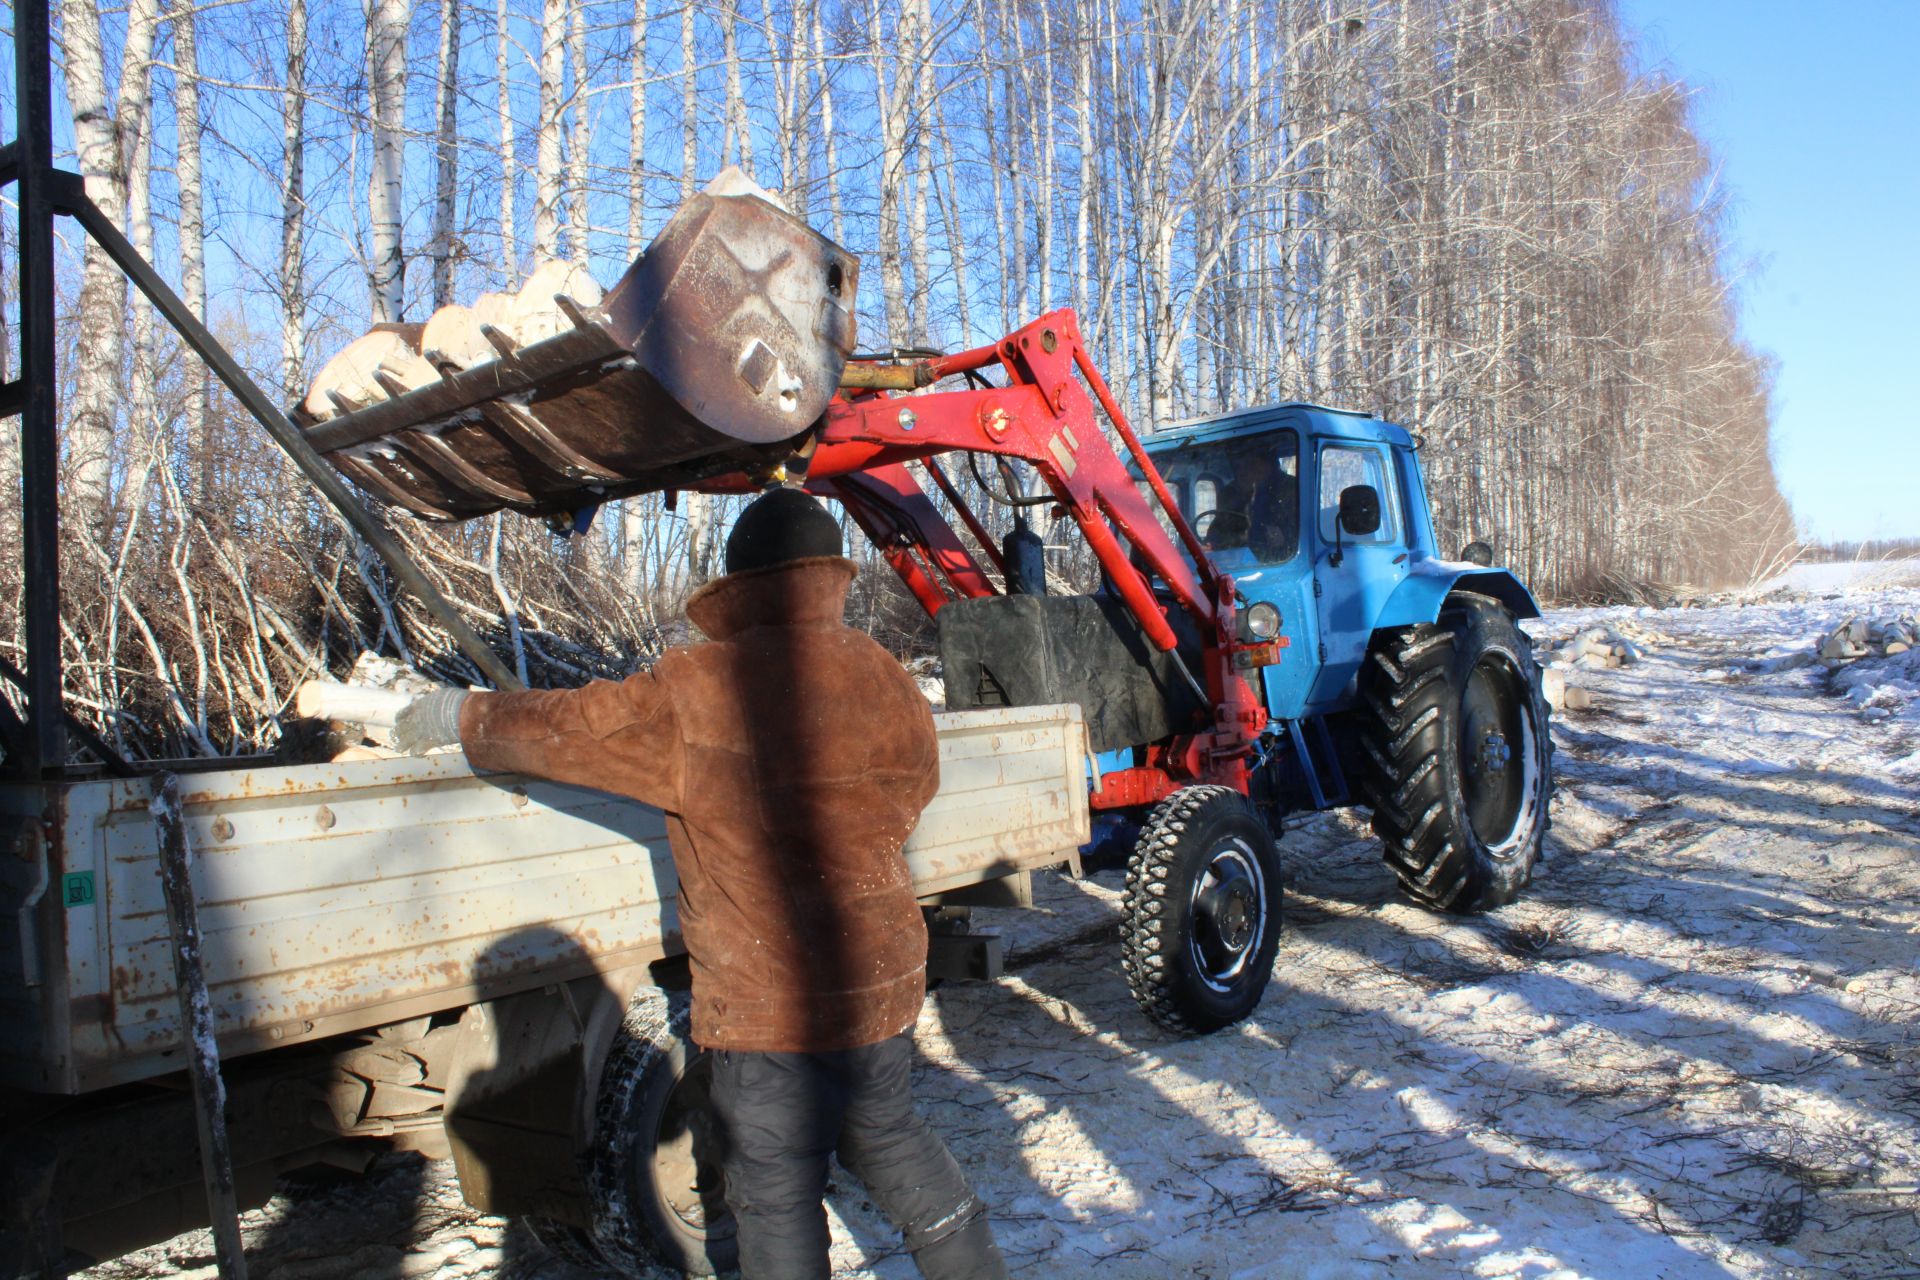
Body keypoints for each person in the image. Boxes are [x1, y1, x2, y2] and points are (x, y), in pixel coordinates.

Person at [392, 487, 1010, 1280]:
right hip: (876, 984)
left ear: (741, 580)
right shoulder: (883, 672)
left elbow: (570, 729)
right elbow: (917, 786)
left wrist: (457, 716)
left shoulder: (698, 686)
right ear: (825, 575)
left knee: (775, 1196)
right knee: (892, 1142)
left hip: (767, 1006)